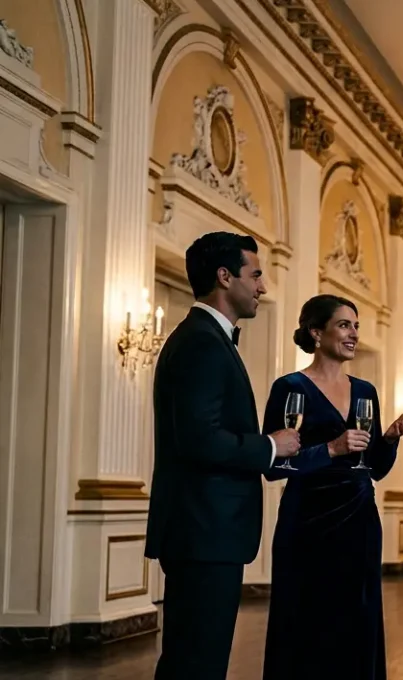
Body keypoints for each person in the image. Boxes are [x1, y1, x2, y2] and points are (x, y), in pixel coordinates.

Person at [146, 232, 301, 680]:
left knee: (195, 658)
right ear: (224, 276)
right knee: (197, 661)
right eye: (255, 275)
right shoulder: (201, 343)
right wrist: (272, 445)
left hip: (204, 531)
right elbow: (200, 440)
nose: (262, 287)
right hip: (204, 531)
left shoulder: (207, 339)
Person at [260, 295, 403, 679]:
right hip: (308, 519)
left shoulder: (365, 391)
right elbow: (273, 466)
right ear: (316, 332)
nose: (354, 334)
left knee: (357, 612)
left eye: (357, 326)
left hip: (359, 517)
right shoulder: (290, 386)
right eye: (345, 325)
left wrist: (391, 438)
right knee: (306, 614)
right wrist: (331, 449)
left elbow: (375, 468)